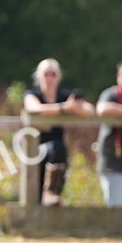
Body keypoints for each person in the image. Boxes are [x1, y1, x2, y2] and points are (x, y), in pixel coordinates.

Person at [23, 58, 94, 205]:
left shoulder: (64, 96)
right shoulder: (32, 94)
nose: (49, 78)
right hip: (34, 149)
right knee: (35, 193)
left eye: (53, 74)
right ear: (39, 76)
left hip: (57, 154)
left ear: (59, 77)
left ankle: (52, 193)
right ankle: (47, 194)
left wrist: (75, 107)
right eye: (46, 74)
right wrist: (65, 108)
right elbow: (34, 108)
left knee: (58, 148)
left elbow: (90, 110)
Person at [95, 57, 122, 207]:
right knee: (117, 210)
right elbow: (102, 109)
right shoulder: (111, 95)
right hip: (114, 164)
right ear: (118, 76)